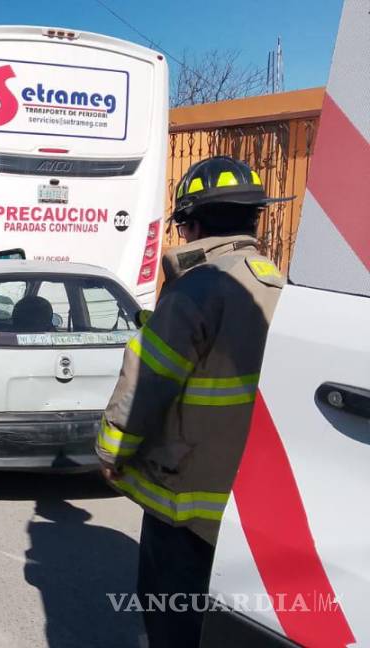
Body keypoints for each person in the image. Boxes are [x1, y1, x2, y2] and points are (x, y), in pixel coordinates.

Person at [95, 156, 288, 648]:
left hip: (182, 505)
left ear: (192, 223)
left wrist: (111, 451)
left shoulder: (196, 291)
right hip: (249, 505)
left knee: (172, 621)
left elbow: (147, 382)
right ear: (253, 220)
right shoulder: (282, 288)